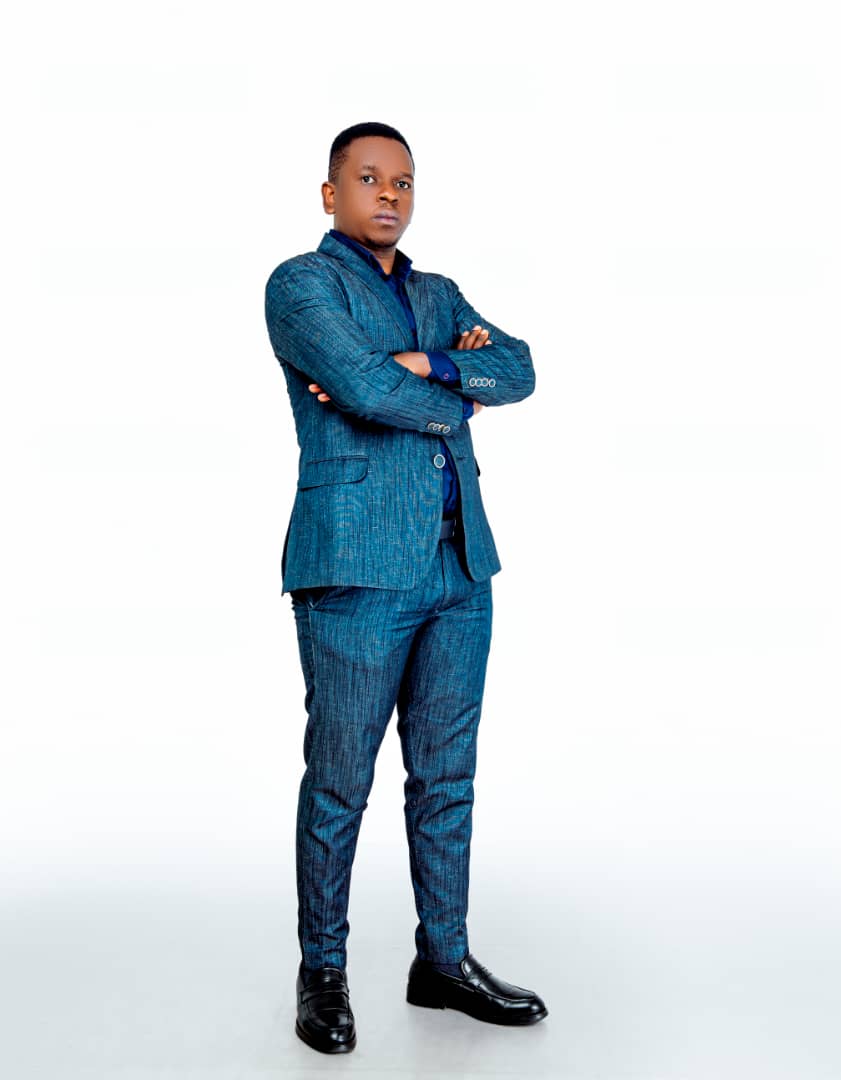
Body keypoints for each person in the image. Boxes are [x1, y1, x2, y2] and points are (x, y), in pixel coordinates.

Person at [264, 121, 547, 1055]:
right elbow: (359, 387)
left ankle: (444, 962)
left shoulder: (438, 294)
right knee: (339, 781)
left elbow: (520, 367)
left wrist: (429, 363)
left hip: (459, 567)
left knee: (447, 777)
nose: (389, 194)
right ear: (330, 193)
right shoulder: (302, 286)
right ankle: (322, 972)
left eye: (404, 181)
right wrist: (457, 396)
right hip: (355, 567)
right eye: (369, 178)